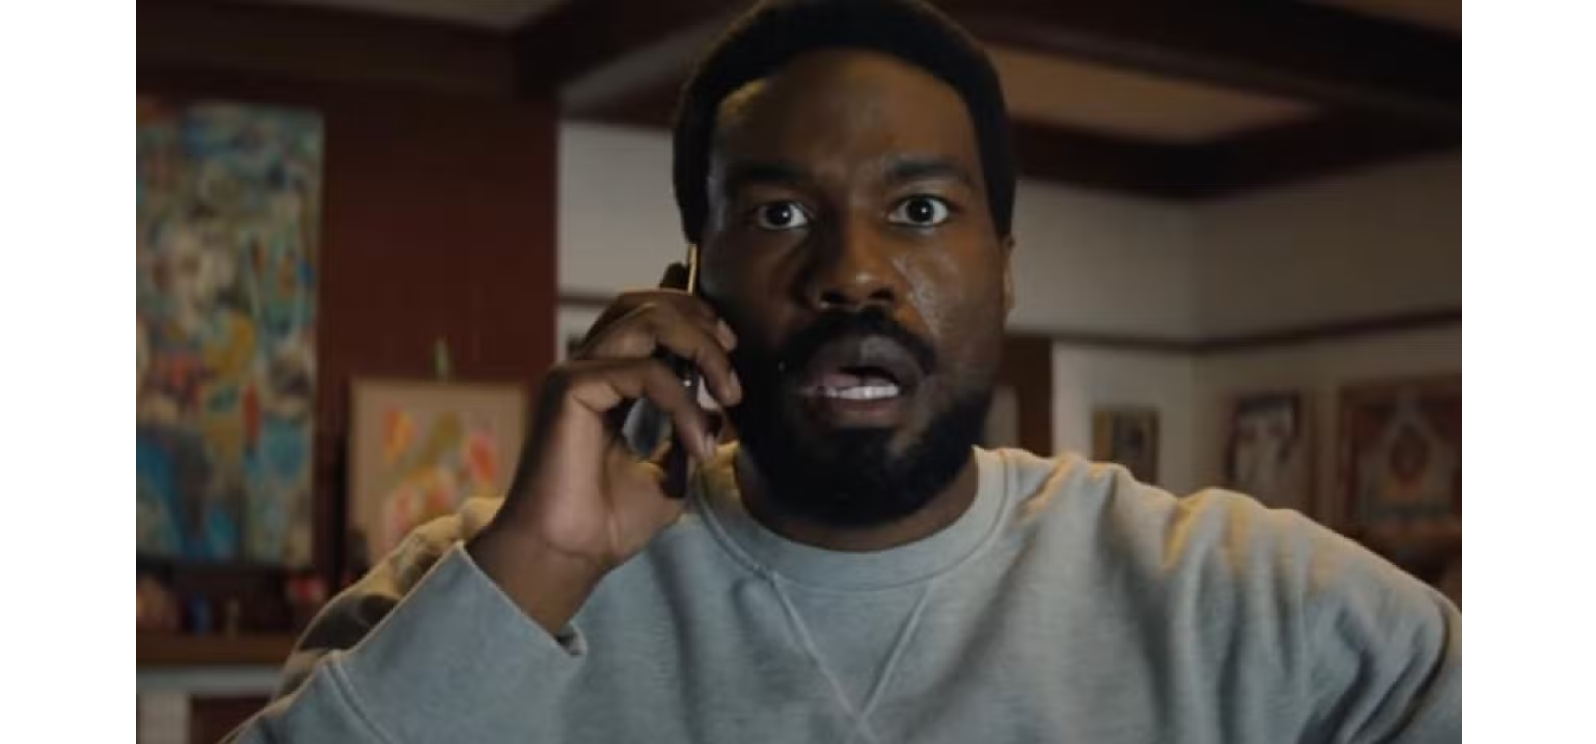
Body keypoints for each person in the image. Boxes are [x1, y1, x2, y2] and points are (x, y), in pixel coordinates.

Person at [227, 1, 1461, 741]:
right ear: (687, 280)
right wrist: (540, 567)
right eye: (776, 216)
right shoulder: (470, 589)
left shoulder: (1241, 601)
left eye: (920, 210)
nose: (854, 274)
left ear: (1005, 270)